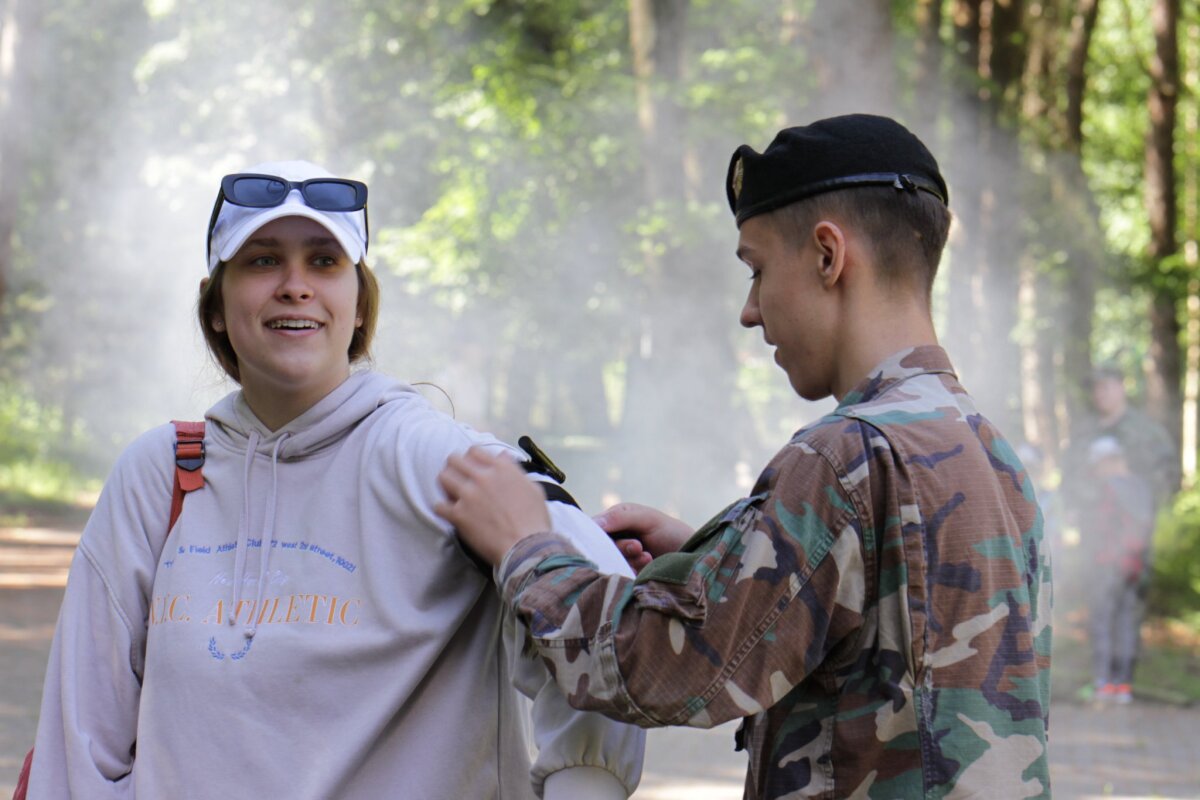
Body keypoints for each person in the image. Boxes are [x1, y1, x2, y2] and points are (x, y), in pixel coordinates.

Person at [436, 115, 1053, 799]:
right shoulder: (990, 453)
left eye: (757, 271)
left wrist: (525, 547)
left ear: (828, 255)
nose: (749, 310)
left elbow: (655, 672)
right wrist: (717, 556)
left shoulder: (843, 458)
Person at [26, 161, 644, 799]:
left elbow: (604, 602)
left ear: (359, 305)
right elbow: (80, 740)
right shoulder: (161, 475)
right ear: (216, 306)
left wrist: (585, 783)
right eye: (263, 261)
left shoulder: (427, 458)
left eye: (323, 262)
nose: (295, 286)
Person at [1083, 436, 1156, 704]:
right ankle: (1123, 685)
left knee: (1103, 622)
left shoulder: (1109, 488)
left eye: (1098, 465)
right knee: (1126, 624)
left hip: (1109, 565)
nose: (1096, 472)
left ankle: (1103, 683)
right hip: (1135, 566)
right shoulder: (1141, 488)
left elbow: (1100, 529)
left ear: (1109, 461)